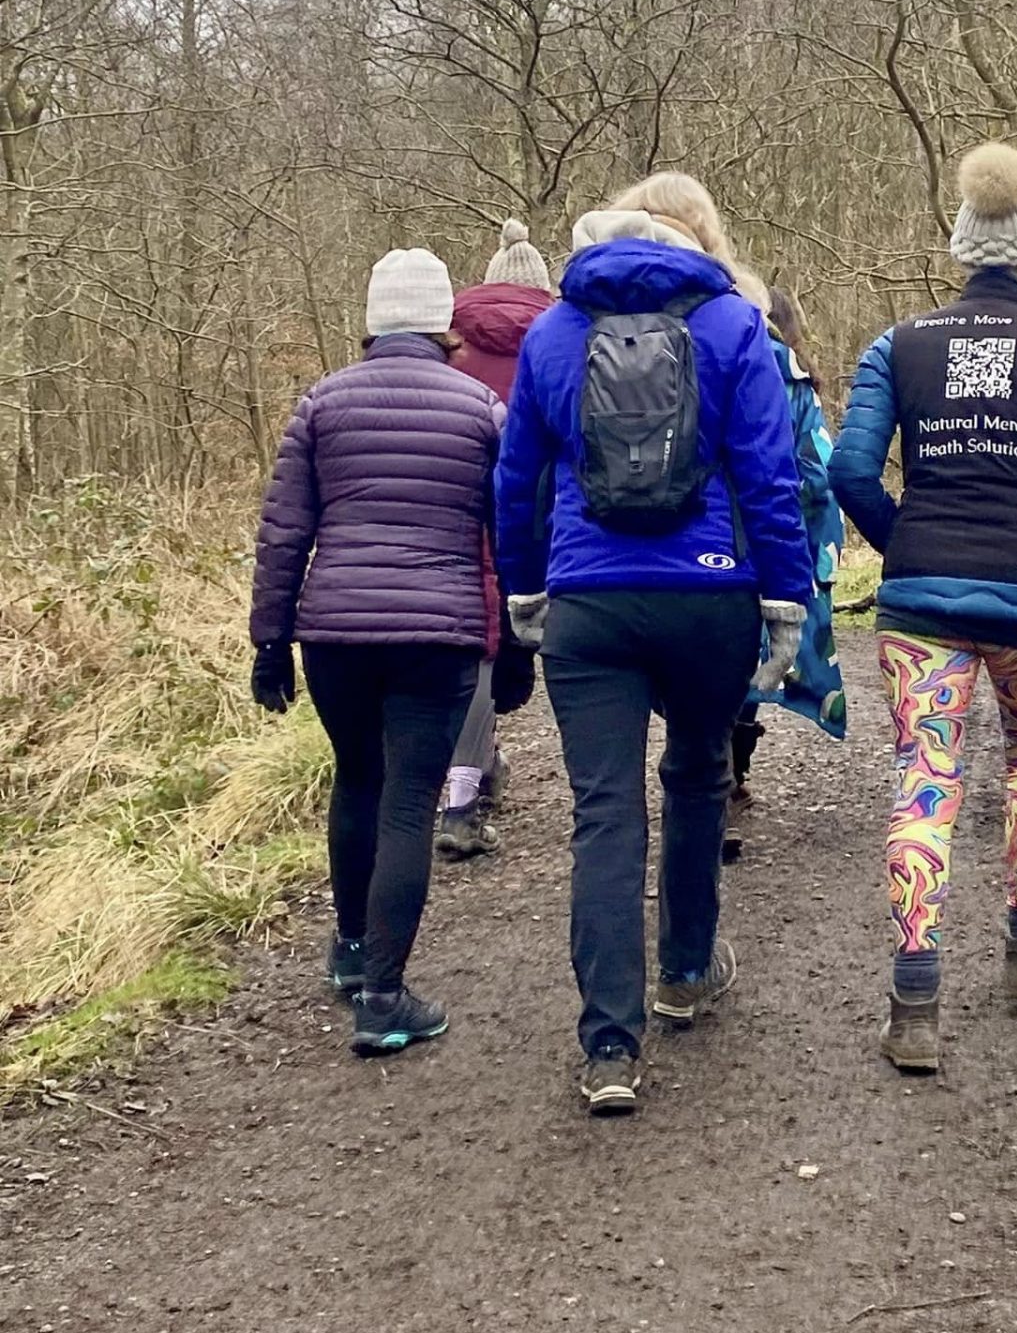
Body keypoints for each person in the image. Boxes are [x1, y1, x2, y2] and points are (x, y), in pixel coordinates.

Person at [496, 183, 811, 1116]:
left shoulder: (554, 333)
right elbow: (768, 468)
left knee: (603, 809)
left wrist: (523, 584)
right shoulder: (729, 321)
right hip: (710, 593)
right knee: (697, 773)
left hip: (589, 599)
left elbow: (517, 476)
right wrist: (785, 595)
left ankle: (609, 1045)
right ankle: (683, 969)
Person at [830, 144, 1017, 1075]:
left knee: (927, 776)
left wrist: (902, 541)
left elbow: (848, 469)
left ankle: (913, 1003)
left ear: (960, 248)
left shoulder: (898, 344)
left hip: (922, 605)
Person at [249, 248, 504, 1055]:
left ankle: (351, 948)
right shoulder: (477, 409)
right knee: (407, 802)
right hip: (437, 635)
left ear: (370, 323)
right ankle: (384, 998)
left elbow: (285, 530)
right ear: (442, 325)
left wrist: (269, 640)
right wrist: (518, 640)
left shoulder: (322, 403)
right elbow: (509, 538)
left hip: (337, 634)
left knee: (357, 780)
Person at [435, 219, 555, 861]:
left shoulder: (448, 337)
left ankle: (469, 779)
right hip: (536, 514)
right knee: (519, 647)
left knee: (476, 648)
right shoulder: (564, 333)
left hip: (455, 510)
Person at [726, 277, 845, 862]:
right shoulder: (792, 375)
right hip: (776, 538)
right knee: (764, 651)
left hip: (704, 546)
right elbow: (818, 472)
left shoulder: (694, 352)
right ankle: (735, 765)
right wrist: (820, 550)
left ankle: (714, 772)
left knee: (712, 659)